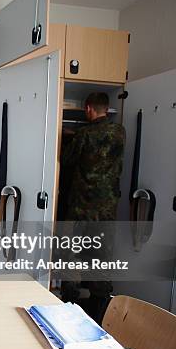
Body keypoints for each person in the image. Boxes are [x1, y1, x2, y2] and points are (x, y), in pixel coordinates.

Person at [60, 92, 126, 323]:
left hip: (81, 206)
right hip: (107, 207)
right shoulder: (120, 132)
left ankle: (69, 302)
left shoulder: (84, 134)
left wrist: (69, 136)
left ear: (88, 109)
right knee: (101, 256)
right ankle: (101, 309)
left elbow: (66, 159)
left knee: (71, 253)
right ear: (106, 109)